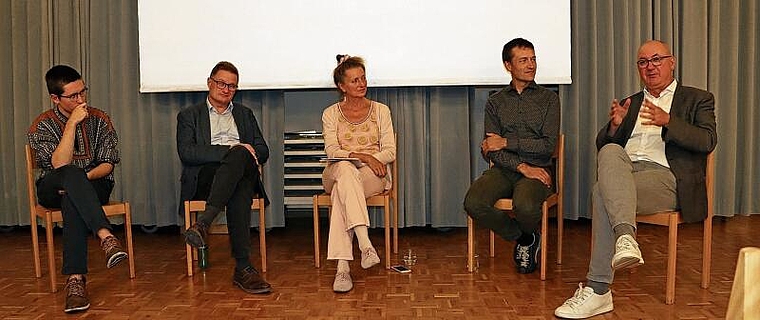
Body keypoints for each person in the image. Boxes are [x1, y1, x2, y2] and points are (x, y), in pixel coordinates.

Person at [554, 40, 717, 318]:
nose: (650, 67)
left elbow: (707, 140)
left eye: (656, 59)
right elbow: (602, 144)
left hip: (668, 178)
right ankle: (626, 239)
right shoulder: (633, 101)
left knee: (600, 193)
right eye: (643, 62)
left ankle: (599, 290)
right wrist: (615, 126)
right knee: (610, 149)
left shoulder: (697, 98)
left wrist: (669, 121)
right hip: (627, 174)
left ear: (672, 62)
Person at [27, 65, 128, 313]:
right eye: (73, 96)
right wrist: (71, 124)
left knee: (73, 194)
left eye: (83, 92)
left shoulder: (101, 119)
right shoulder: (43, 125)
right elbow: (59, 165)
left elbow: (107, 164)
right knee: (70, 174)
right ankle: (106, 236)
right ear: (55, 98)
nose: (81, 99)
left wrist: (80, 181)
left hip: (95, 184)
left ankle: (75, 281)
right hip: (52, 186)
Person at [463, 38, 560, 274]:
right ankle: (526, 238)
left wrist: (507, 142)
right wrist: (521, 166)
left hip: (538, 170)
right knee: (473, 203)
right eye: (523, 60)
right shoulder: (495, 101)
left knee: (525, 206)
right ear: (508, 65)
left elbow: (547, 146)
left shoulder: (549, 99)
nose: (531, 65)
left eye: (533, 59)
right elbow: (491, 149)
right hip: (504, 170)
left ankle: (526, 235)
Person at [178, 61, 271, 294]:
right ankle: (243, 267)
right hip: (208, 177)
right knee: (239, 185)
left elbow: (263, 150)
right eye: (221, 83)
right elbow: (187, 152)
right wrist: (231, 150)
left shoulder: (245, 114)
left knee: (240, 162)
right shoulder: (189, 115)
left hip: (242, 170)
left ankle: (204, 223)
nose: (226, 89)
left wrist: (242, 151)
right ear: (209, 83)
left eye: (232, 86)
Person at [322, 55, 396, 293]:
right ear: (341, 86)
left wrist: (372, 161)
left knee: (342, 194)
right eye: (354, 80)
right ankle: (365, 244)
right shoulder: (330, 113)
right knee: (344, 169)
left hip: (372, 173)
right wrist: (364, 156)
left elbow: (390, 151)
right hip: (338, 169)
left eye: (363, 78)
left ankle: (342, 269)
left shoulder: (381, 111)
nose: (361, 84)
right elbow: (333, 151)